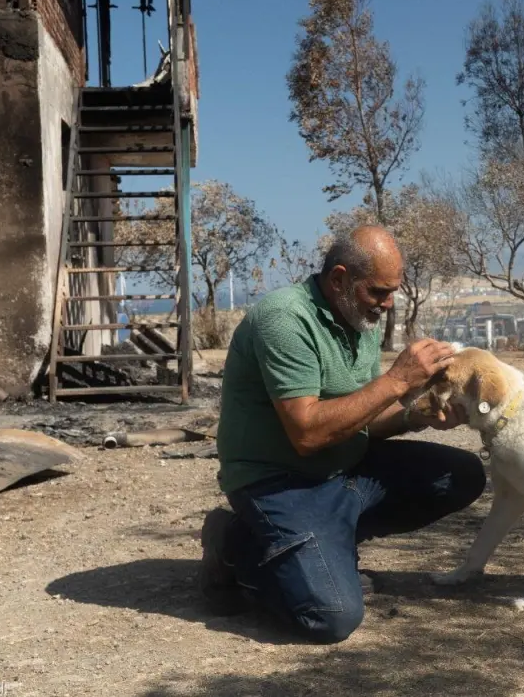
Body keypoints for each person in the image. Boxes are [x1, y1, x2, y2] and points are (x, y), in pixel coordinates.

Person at [199, 224, 487, 643]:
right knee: (330, 616)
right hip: (278, 482)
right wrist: (395, 381)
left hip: (342, 468)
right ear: (338, 279)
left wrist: (418, 416)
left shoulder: (356, 316)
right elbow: (307, 434)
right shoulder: (284, 319)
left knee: (461, 475)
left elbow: (361, 416)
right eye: (378, 292)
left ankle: (328, 543)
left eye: (393, 291)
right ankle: (234, 543)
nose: (388, 304)